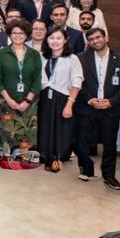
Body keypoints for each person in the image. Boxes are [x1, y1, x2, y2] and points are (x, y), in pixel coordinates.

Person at [73, 27, 120, 187]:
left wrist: (112, 101)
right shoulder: (80, 58)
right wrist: (89, 99)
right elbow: (77, 82)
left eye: (98, 37)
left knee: (109, 144)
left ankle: (109, 175)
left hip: (110, 109)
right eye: (91, 39)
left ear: (106, 38)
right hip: (86, 107)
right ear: (88, 42)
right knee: (82, 142)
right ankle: (86, 169)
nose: (95, 41)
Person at [0, 21, 42, 161]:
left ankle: (24, 159)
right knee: (8, 131)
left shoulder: (34, 54)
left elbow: (37, 80)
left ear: (26, 35)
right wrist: (9, 100)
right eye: (14, 33)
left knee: (26, 132)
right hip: (6, 101)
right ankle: (7, 158)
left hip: (29, 103)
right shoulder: (2, 53)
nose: (18, 36)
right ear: (9, 35)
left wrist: (27, 100)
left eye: (21, 33)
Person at [37, 28, 83, 173]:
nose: (55, 41)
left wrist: (70, 103)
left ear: (65, 40)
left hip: (63, 97)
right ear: (46, 40)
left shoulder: (72, 58)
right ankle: (44, 154)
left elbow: (77, 81)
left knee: (62, 128)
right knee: (44, 126)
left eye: (58, 38)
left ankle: (60, 156)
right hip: (44, 96)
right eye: (51, 38)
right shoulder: (41, 57)